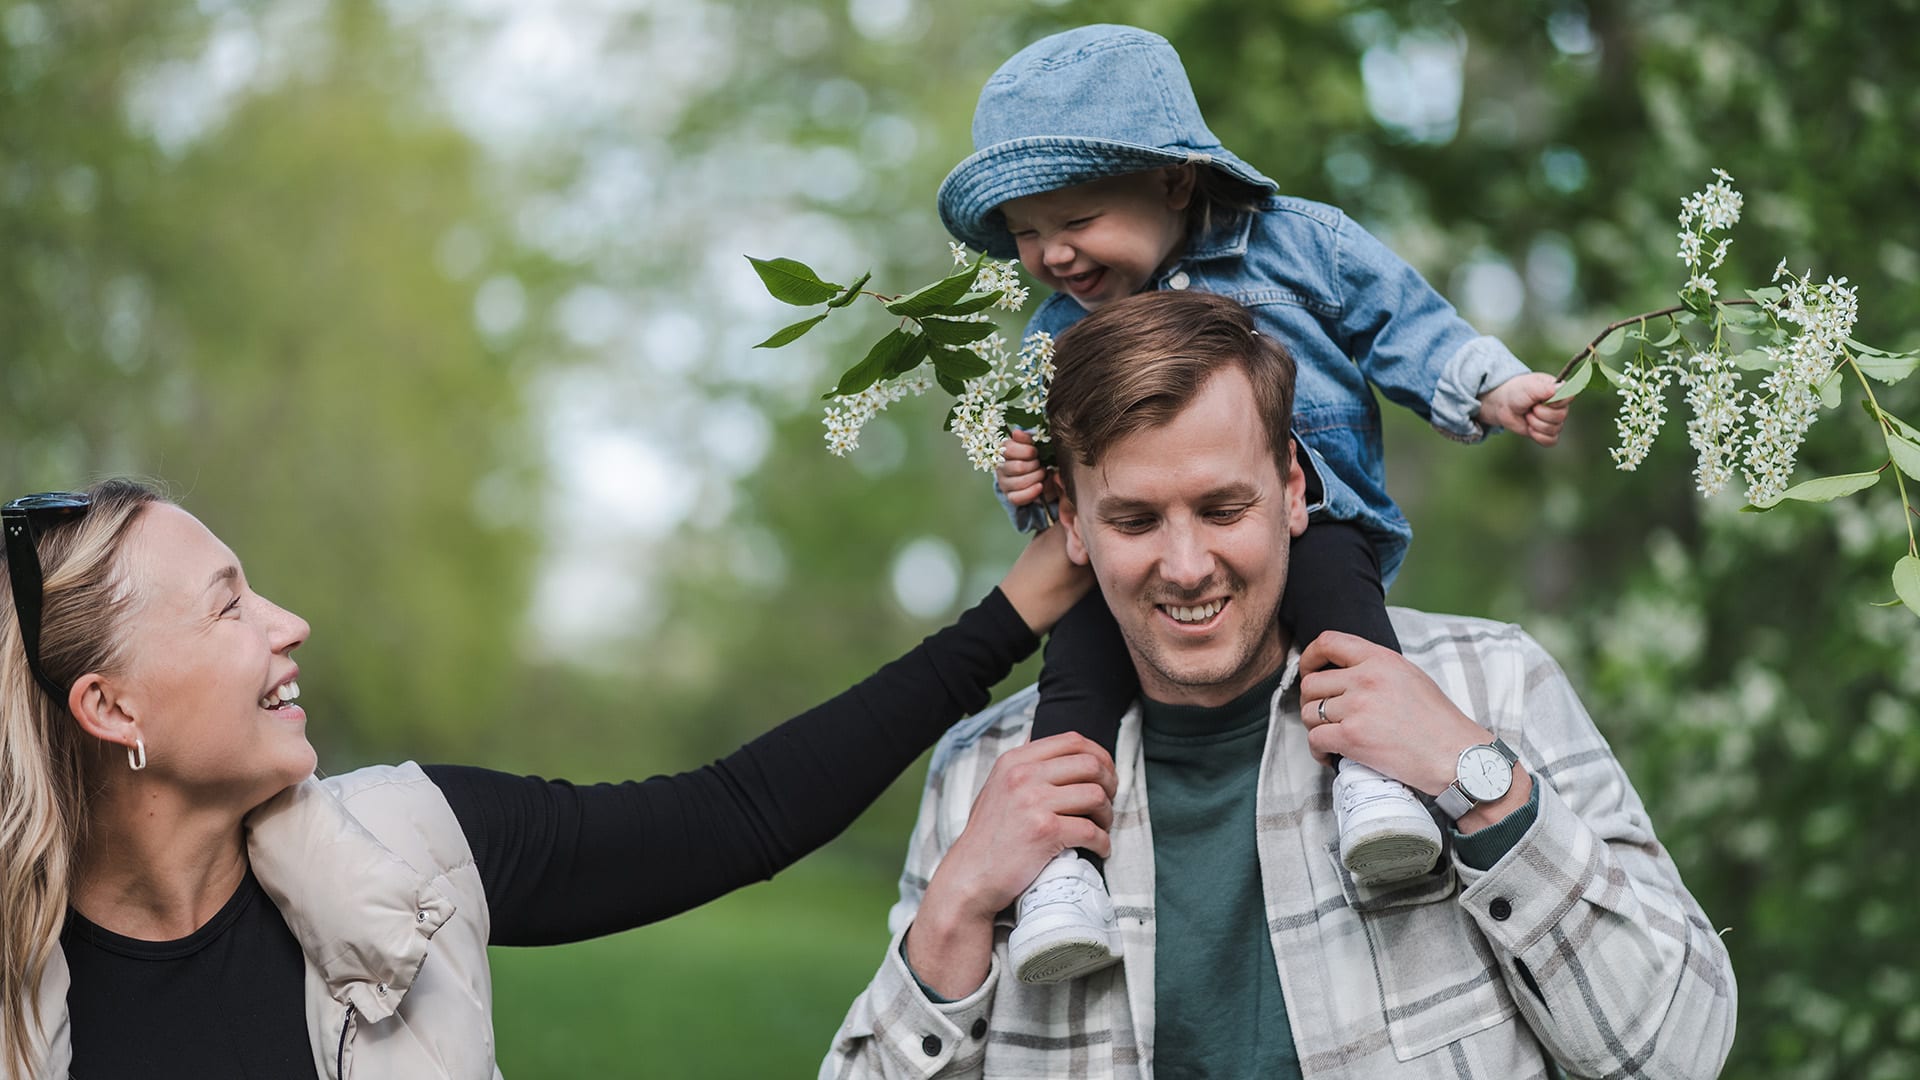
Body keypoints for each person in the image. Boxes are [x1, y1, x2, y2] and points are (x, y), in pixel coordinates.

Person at [821, 291, 1735, 1079]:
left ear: (1295, 488)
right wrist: (950, 918)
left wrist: (1477, 779)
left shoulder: (1489, 684)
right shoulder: (985, 776)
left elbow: (1677, 1052)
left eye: (1224, 509)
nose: (1186, 566)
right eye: (1134, 520)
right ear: (1070, 521)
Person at [0, 479, 1090, 1078]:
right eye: (232, 605)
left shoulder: (415, 840)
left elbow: (737, 814)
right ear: (111, 709)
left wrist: (1010, 617)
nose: (291, 625)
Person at [935, 22, 1573, 984]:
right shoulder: (1057, 333)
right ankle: (1061, 870)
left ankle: (1373, 777)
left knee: (1344, 619)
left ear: (1174, 181)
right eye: (1027, 233)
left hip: (1321, 511)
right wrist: (1022, 476)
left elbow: (1399, 319)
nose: (1054, 255)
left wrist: (1487, 384)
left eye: (1077, 221)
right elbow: (1045, 464)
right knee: (1076, 667)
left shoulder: (1298, 249)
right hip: (1127, 571)